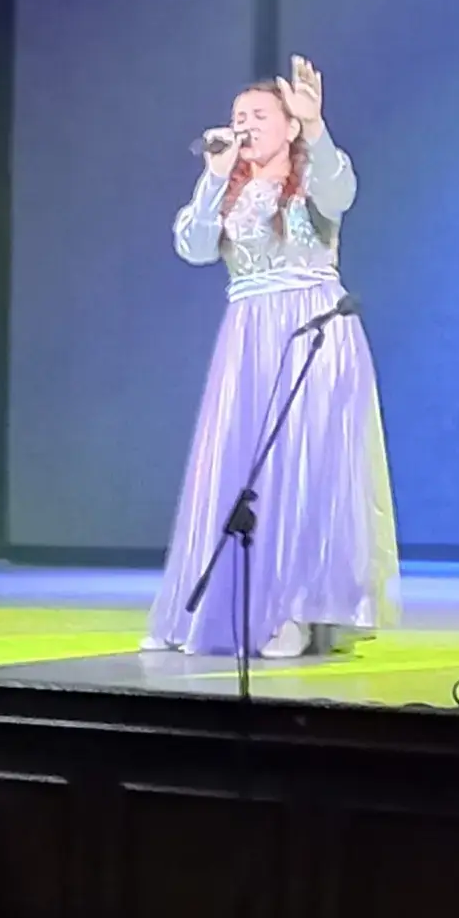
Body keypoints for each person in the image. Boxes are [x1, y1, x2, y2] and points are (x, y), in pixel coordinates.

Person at [143, 56, 398, 660]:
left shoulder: (314, 181)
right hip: (248, 336)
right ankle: (212, 608)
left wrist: (317, 125)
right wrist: (212, 178)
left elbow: (343, 189)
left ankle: (296, 609)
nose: (246, 125)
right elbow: (194, 247)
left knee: (305, 468)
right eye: (239, 116)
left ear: (288, 125)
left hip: (314, 330)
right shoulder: (229, 191)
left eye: (259, 115)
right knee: (237, 467)